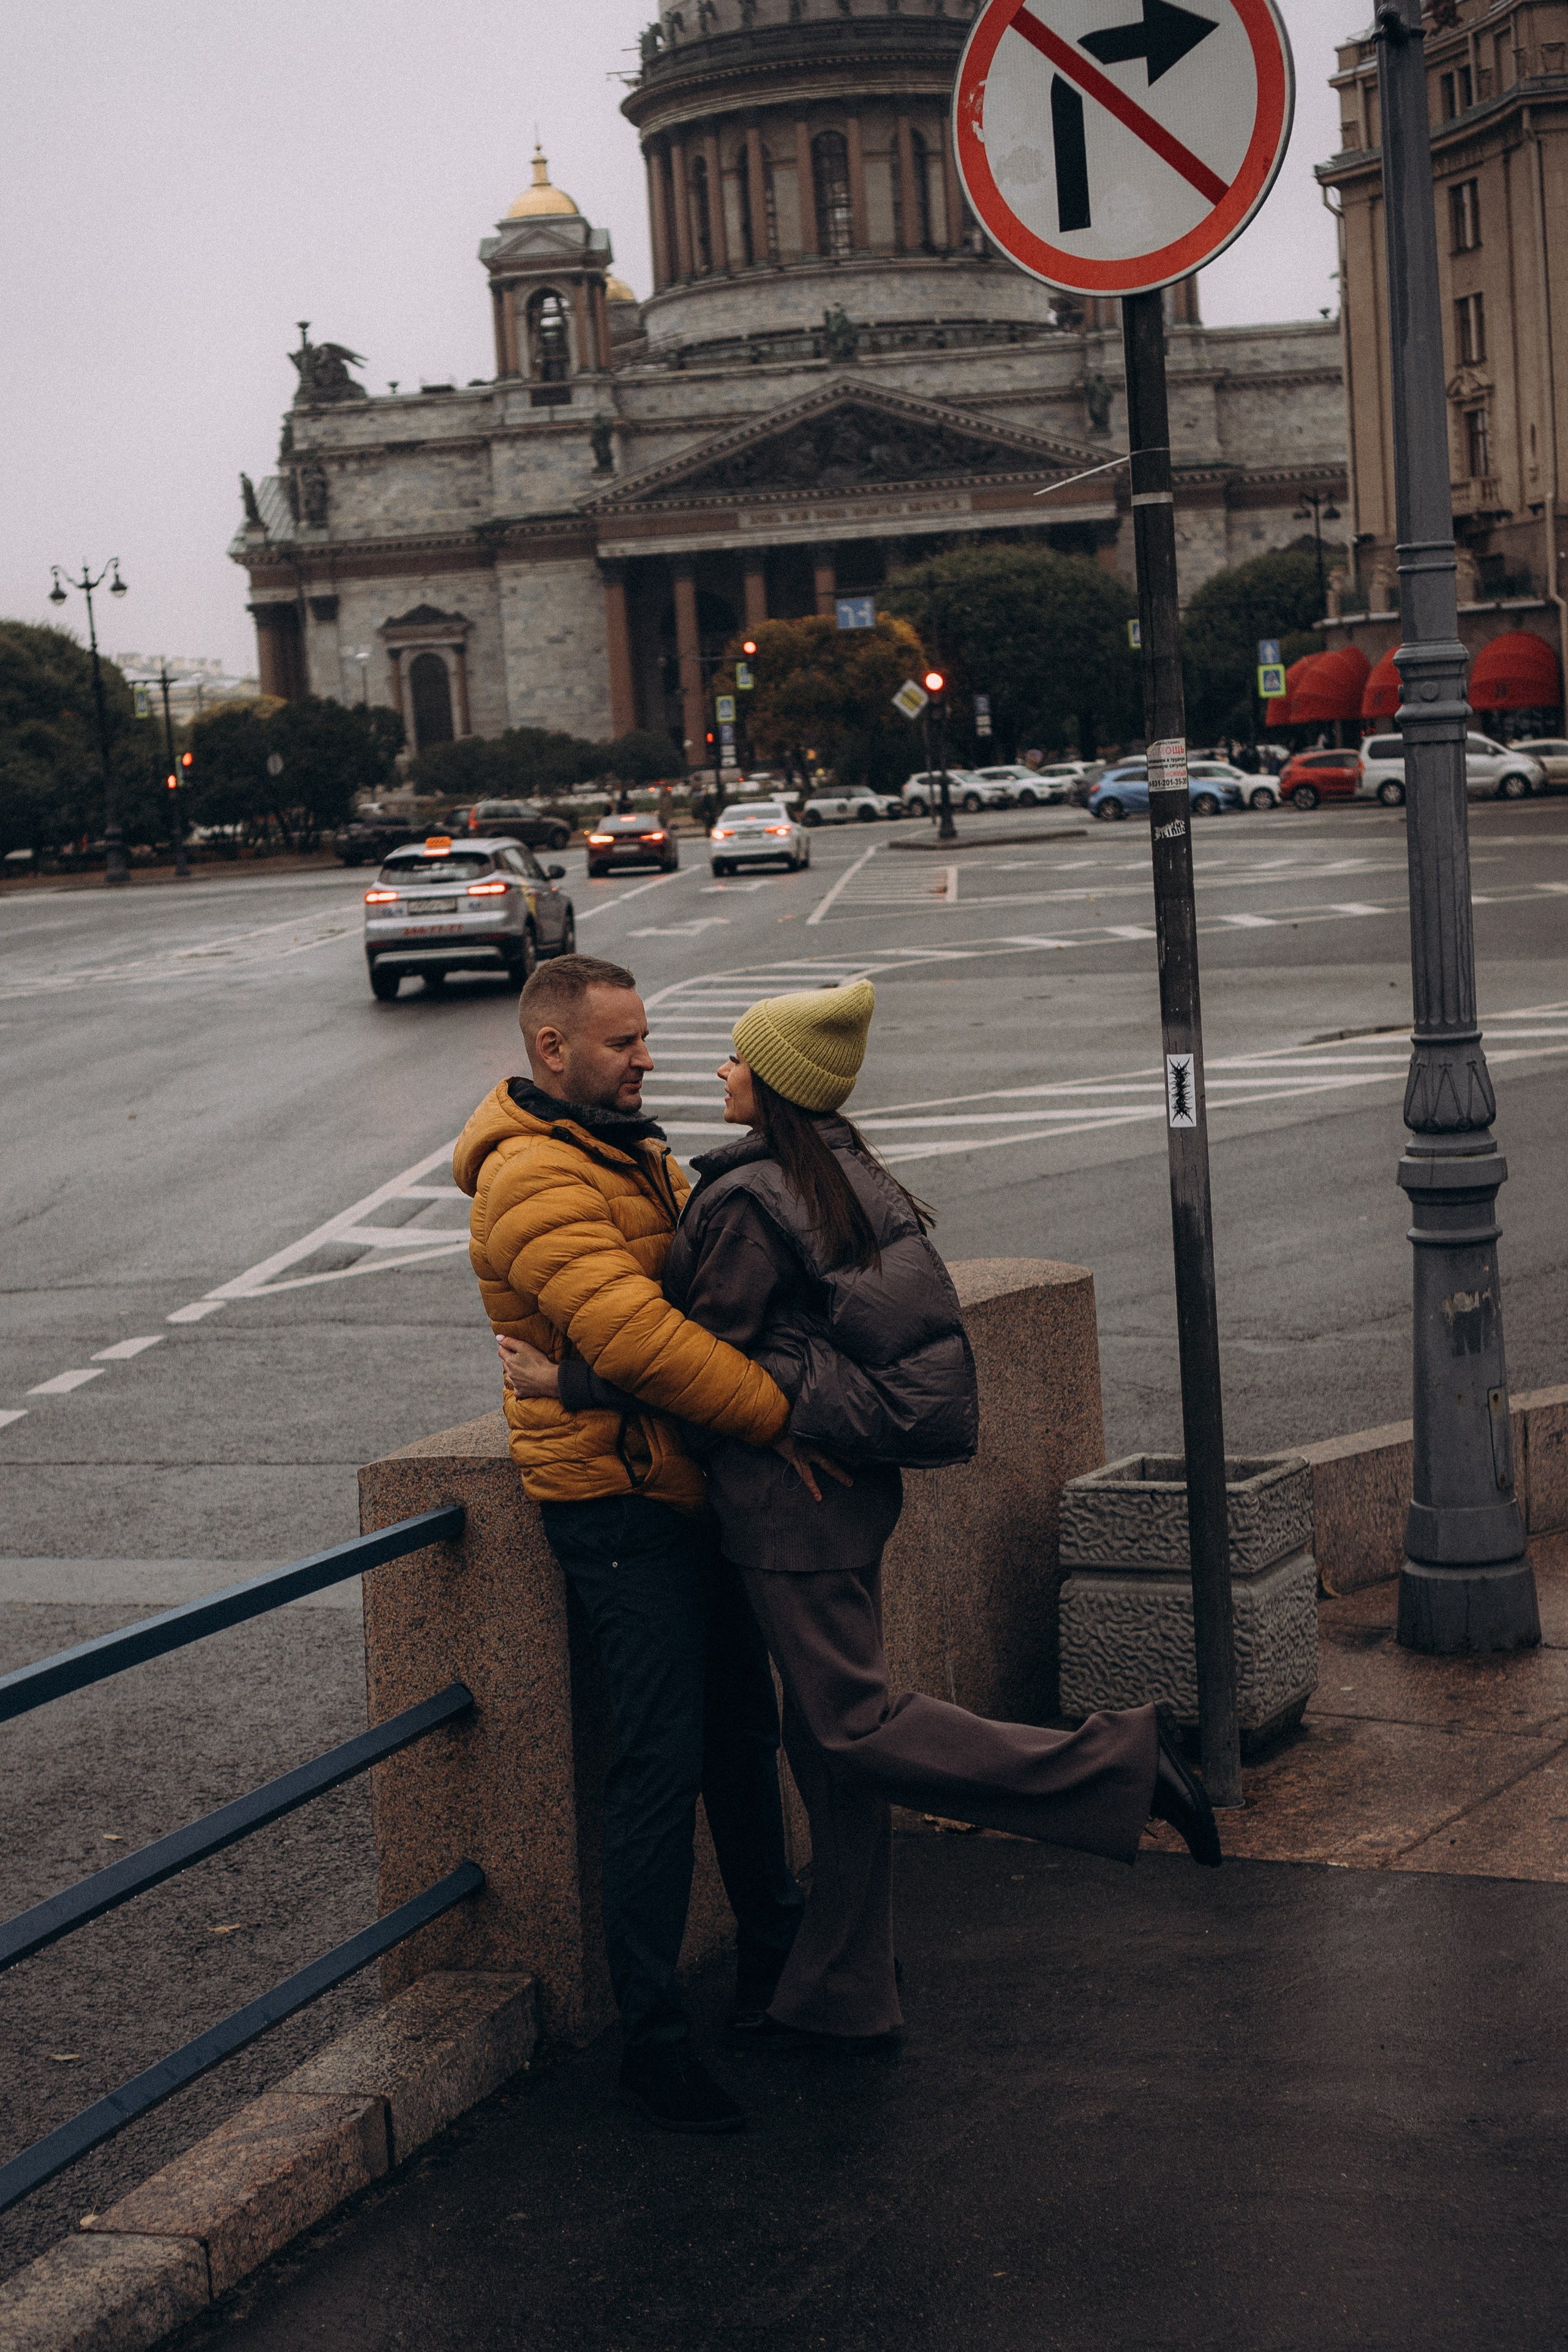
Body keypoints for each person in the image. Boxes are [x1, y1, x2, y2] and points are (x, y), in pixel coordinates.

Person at [502, 979, 1222, 2052]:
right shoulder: (833, 1167)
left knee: (851, 1725)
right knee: (829, 1754)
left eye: (738, 1059)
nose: (714, 1070)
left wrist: (574, 1387)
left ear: (778, 1083)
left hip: (789, 1506)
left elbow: (699, 1355)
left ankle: (1121, 1765)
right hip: (843, 1494)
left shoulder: (746, 1199)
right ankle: (841, 1988)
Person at [451, 954, 806, 2135]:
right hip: (615, 1508)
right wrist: (779, 1417)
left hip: (683, 1483)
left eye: (646, 1038)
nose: (647, 1058)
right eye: (622, 1043)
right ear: (553, 1050)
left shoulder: (627, 1148)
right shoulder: (532, 1179)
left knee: (743, 1738)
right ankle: (652, 2045)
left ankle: (780, 1974)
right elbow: (647, 1341)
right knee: (659, 1763)